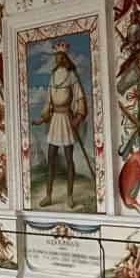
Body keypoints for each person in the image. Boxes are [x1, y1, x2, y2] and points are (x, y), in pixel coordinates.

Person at [32, 41, 86, 208]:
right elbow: (48, 100)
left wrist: (78, 117)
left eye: (60, 56)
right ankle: (48, 195)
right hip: (55, 119)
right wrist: (42, 118)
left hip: (66, 119)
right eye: (56, 56)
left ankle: (69, 196)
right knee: (51, 158)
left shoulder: (71, 76)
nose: (57, 59)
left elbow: (79, 98)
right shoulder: (53, 76)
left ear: (65, 58)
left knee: (69, 159)